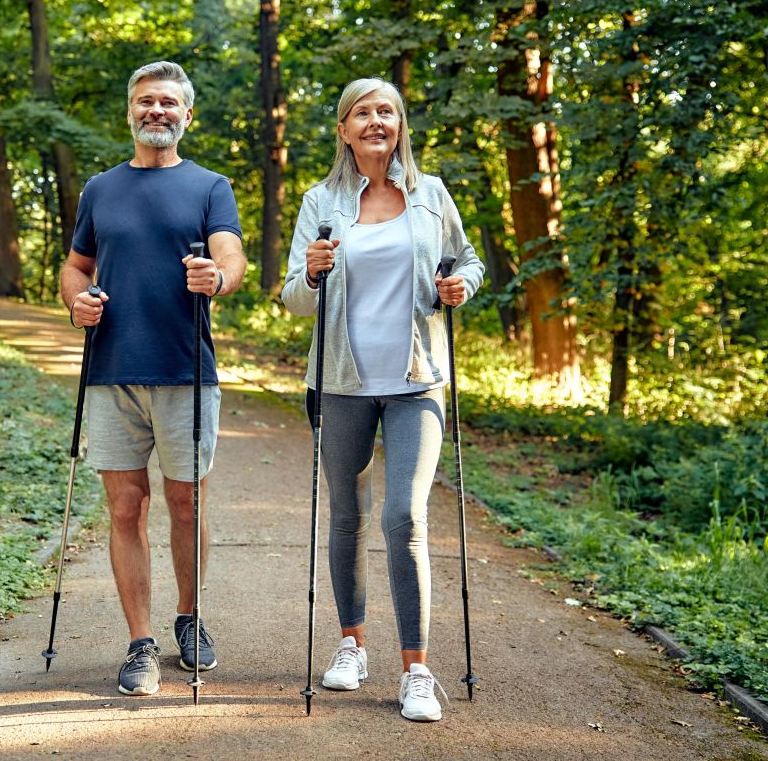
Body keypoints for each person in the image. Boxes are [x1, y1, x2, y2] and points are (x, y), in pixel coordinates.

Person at [281, 77, 485, 722]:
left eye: (387, 112)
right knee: (348, 516)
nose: (376, 121)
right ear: (343, 129)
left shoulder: (431, 195)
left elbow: (468, 261)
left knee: (405, 519)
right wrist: (312, 271)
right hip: (340, 382)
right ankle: (352, 644)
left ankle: (416, 670)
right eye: (362, 113)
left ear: (400, 125)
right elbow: (292, 297)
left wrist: (460, 288)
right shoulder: (321, 202)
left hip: (416, 381)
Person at [60, 60, 246, 697]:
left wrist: (216, 279)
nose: (157, 111)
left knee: (185, 502)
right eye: (146, 101)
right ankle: (141, 643)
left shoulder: (209, 186)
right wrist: (76, 300)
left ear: (187, 115)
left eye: (169, 102)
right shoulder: (99, 189)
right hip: (111, 373)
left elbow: (231, 254)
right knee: (124, 507)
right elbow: (75, 266)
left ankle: (189, 619)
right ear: (131, 112)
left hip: (186, 373)